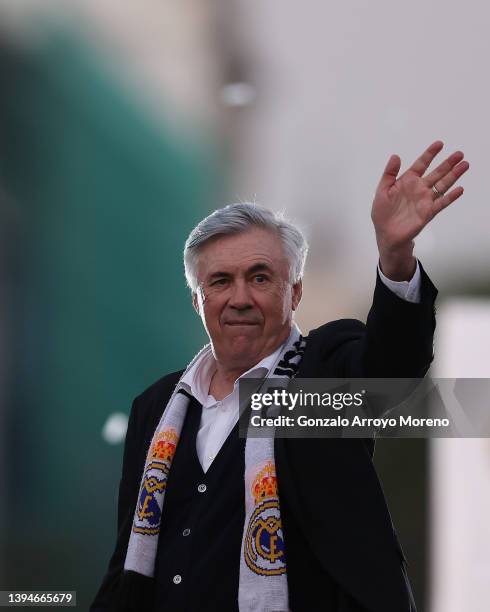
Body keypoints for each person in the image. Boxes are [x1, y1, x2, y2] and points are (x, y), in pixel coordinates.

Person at [91, 141, 469, 612]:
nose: (241, 297)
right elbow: (127, 562)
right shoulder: (156, 406)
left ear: (295, 292)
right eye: (221, 282)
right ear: (198, 300)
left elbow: (390, 368)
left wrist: (395, 257)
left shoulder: (320, 375)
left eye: (261, 277)